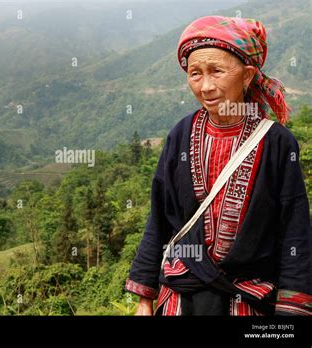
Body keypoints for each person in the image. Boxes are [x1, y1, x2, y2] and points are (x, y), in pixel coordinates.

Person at [125, 15, 311, 316]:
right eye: (195, 74)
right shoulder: (179, 136)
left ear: (247, 75)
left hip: (247, 301)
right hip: (180, 298)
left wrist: (291, 311)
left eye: (217, 71)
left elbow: (295, 229)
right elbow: (159, 219)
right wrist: (145, 300)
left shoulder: (277, 143)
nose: (206, 86)